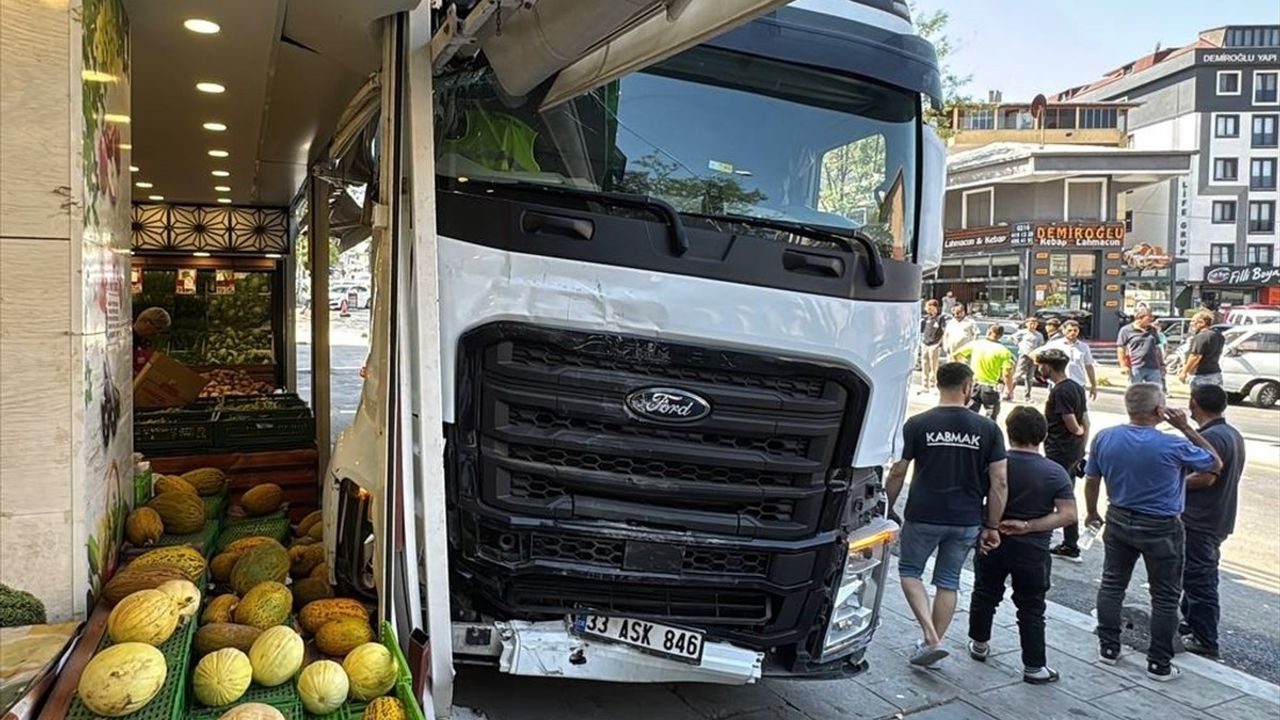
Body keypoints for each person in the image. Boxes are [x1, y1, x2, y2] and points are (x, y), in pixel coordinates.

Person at [1083, 383, 1221, 681]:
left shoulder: (1105, 437)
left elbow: (1092, 479)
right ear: (1160, 411)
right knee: (1165, 596)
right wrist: (1186, 427)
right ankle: (1159, 663)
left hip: (1118, 517)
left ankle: (1108, 648)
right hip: (1161, 526)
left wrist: (1092, 512)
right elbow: (1214, 463)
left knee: (1112, 584)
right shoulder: (1173, 444)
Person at [885, 362, 1008, 668]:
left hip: (924, 513)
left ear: (939, 384)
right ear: (968, 388)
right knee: (948, 582)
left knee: (910, 572)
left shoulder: (917, 423)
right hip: (966, 518)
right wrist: (992, 524)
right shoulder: (989, 428)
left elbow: (898, 471)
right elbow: (1000, 481)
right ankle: (931, 642)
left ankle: (930, 638)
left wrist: (888, 506)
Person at [967, 406, 1076, 685]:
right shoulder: (1055, 472)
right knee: (1031, 606)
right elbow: (1068, 514)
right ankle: (1034, 666)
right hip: (1033, 551)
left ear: (1008, 431)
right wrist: (1029, 526)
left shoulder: (993, 464)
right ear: (1043, 435)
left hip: (992, 540)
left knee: (984, 593)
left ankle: (979, 643)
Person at [1180, 384, 1245, 659]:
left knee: (1199, 577)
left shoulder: (1213, 437)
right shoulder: (1230, 433)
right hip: (1215, 517)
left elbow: (1206, 477)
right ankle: (1191, 622)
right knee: (1194, 573)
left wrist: (1170, 486)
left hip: (1201, 519)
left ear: (1194, 403)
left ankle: (1205, 638)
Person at [1036, 349, 1090, 563]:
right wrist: (1082, 444)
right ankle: (1069, 541)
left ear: (1048, 367)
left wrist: (1077, 431)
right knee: (1066, 493)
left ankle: (1068, 542)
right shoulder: (1076, 387)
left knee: (1057, 494)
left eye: (1041, 366)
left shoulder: (1060, 391)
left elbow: (1072, 421)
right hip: (1073, 450)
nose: (1039, 369)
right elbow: (1086, 419)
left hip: (1060, 449)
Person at [953, 325, 1015, 419]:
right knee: (990, 417)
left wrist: (963, 369)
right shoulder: (1004, 351)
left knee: (969, 415)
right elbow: (1007, 374)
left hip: (974, 385)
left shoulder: (976, 344)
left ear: (988, 332)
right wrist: (1010, 390)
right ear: (1001, 335)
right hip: (991, 387)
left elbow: (956, 355)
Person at [1042, 321, 1099, 401]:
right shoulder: (1054, 344)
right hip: (1058, 384)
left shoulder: (1083, 347)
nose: (1072, 333)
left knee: (1079, 411)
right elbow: (1040, 357)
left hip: (1078, 384)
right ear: (1063, 331)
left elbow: (1089, 366)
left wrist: (1093, 385)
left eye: (1075, 330)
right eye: (1069, 330)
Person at [1117, 307, 1165, 385]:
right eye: (1149, 316)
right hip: (1136, 366)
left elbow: (1157, 348)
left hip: (1153, 367)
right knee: (1136, 393)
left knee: (1155, 392)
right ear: (1140, 317)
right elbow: (1121, 349)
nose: (1152, 319)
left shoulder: (1153, 330)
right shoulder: (1126, 330)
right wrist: (1123, 365)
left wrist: (1162, 364)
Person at [1179, 311, 1225, 388]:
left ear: (1202, 322)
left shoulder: (1201, 336)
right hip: (1216, 373)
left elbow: (1195, 356)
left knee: (1200, 399)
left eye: (1193, 321)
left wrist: (1184, 372)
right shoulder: (1219, 335)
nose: (1191, 324)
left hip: (1202, 376)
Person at [1012, 318, 1045, 402]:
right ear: (1026, 324)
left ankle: (1027, 396)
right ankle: (1009, 392)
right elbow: (1012, 337)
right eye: (1030, 323)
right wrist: (1019, 344)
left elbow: (1041, 346)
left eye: (1034, 323)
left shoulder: (1039, 335)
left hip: (1033, 356)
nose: (1032, 325)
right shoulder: (1023, 332)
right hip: (1024, 354)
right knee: (1018, 375)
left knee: (1030, 377)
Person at [132, 306, 171, 374]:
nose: (156, 334)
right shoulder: (126, 341)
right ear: (147, 322)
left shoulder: (145, 342)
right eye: (157, 328)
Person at [919, 299, 947, 393]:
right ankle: (924, 385)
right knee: (924, 364)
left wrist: (938, 344)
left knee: (934, 365)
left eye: (929, 307)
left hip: (934, 344)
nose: (927, 310)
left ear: (934, 307)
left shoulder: (940, 318)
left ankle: (933, 384)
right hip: (925, 343)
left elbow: (944, 332)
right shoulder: (926, 318)